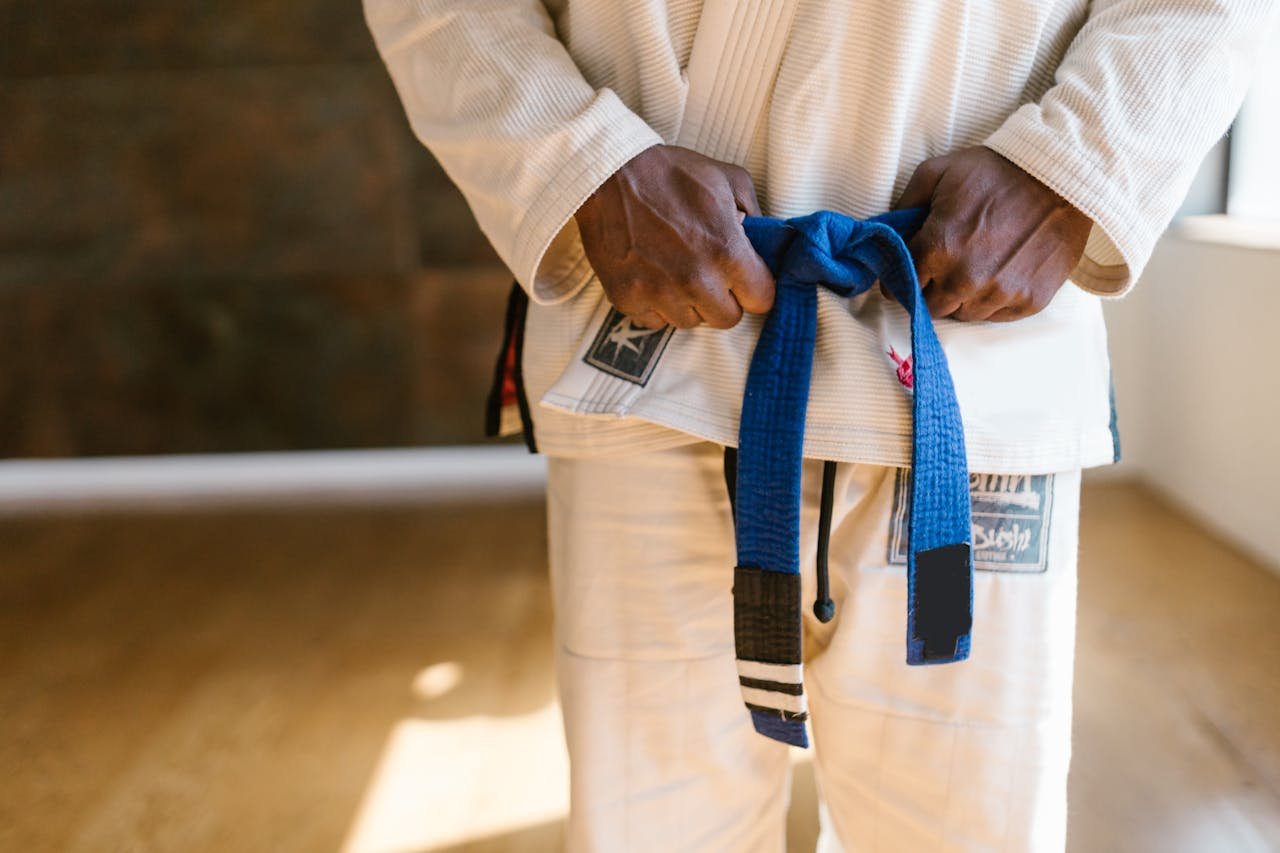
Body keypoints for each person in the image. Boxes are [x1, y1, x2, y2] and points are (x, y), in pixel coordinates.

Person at [362, 1, 1278, 850]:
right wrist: (582, 164)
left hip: (969, 362)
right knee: (657, 827)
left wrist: (1077, 165)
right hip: (657, 344)